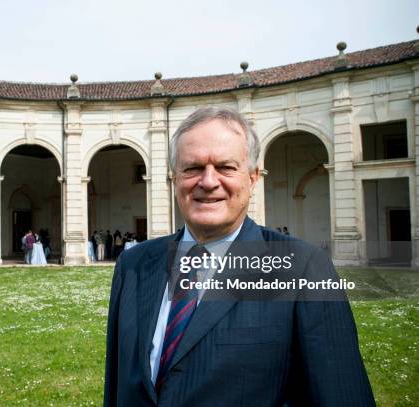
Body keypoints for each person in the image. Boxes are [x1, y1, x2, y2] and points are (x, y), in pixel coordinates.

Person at [104, 107, 375, 406]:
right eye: (192, 167)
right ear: (174, 178)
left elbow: (342, 394)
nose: (208, 181)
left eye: (225, 167)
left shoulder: (304, 268)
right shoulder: (134, 265)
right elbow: (116, 388)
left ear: (253, 178)